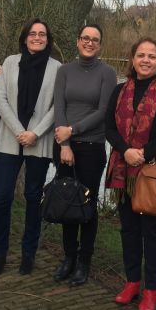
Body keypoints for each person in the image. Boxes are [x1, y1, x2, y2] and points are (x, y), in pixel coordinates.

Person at [105, 37, 156, 310]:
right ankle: (132, 282)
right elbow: (109, 129)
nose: (146, 60)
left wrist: (143, 152)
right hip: (123, 171)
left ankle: (151, 288)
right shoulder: (119, 91)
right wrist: (126, 151)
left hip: (154, 174)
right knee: (128, 229)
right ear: (132, 59)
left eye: (152, 56)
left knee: (152, 232)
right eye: (141, 55)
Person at [0, 17, 61, 276]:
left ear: (47, 39)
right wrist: (20, 132)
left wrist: (36, 133)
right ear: (25, 37)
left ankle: (28, 254)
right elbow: (1, 99)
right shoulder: (10, 62)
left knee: (33, 198)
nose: (37, 37)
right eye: (33, 33)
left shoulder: (57, 68)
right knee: (3, 197)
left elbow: (57, 106)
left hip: (38, 143)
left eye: (42, 34)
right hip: (9, 140)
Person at [52, 23, 117, 286]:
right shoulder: (64, 71)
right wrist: (65, 144)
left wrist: (73, 130)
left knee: (87, 206)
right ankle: (68, 258)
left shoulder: (107, 73)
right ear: (78, 41)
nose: (89, 43)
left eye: (95, 39)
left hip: (91, 147)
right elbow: (59, 105)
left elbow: (103, 111)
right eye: (85, 38)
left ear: (100, 45)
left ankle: (84, 262)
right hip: (65, 147)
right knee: (68, 203)